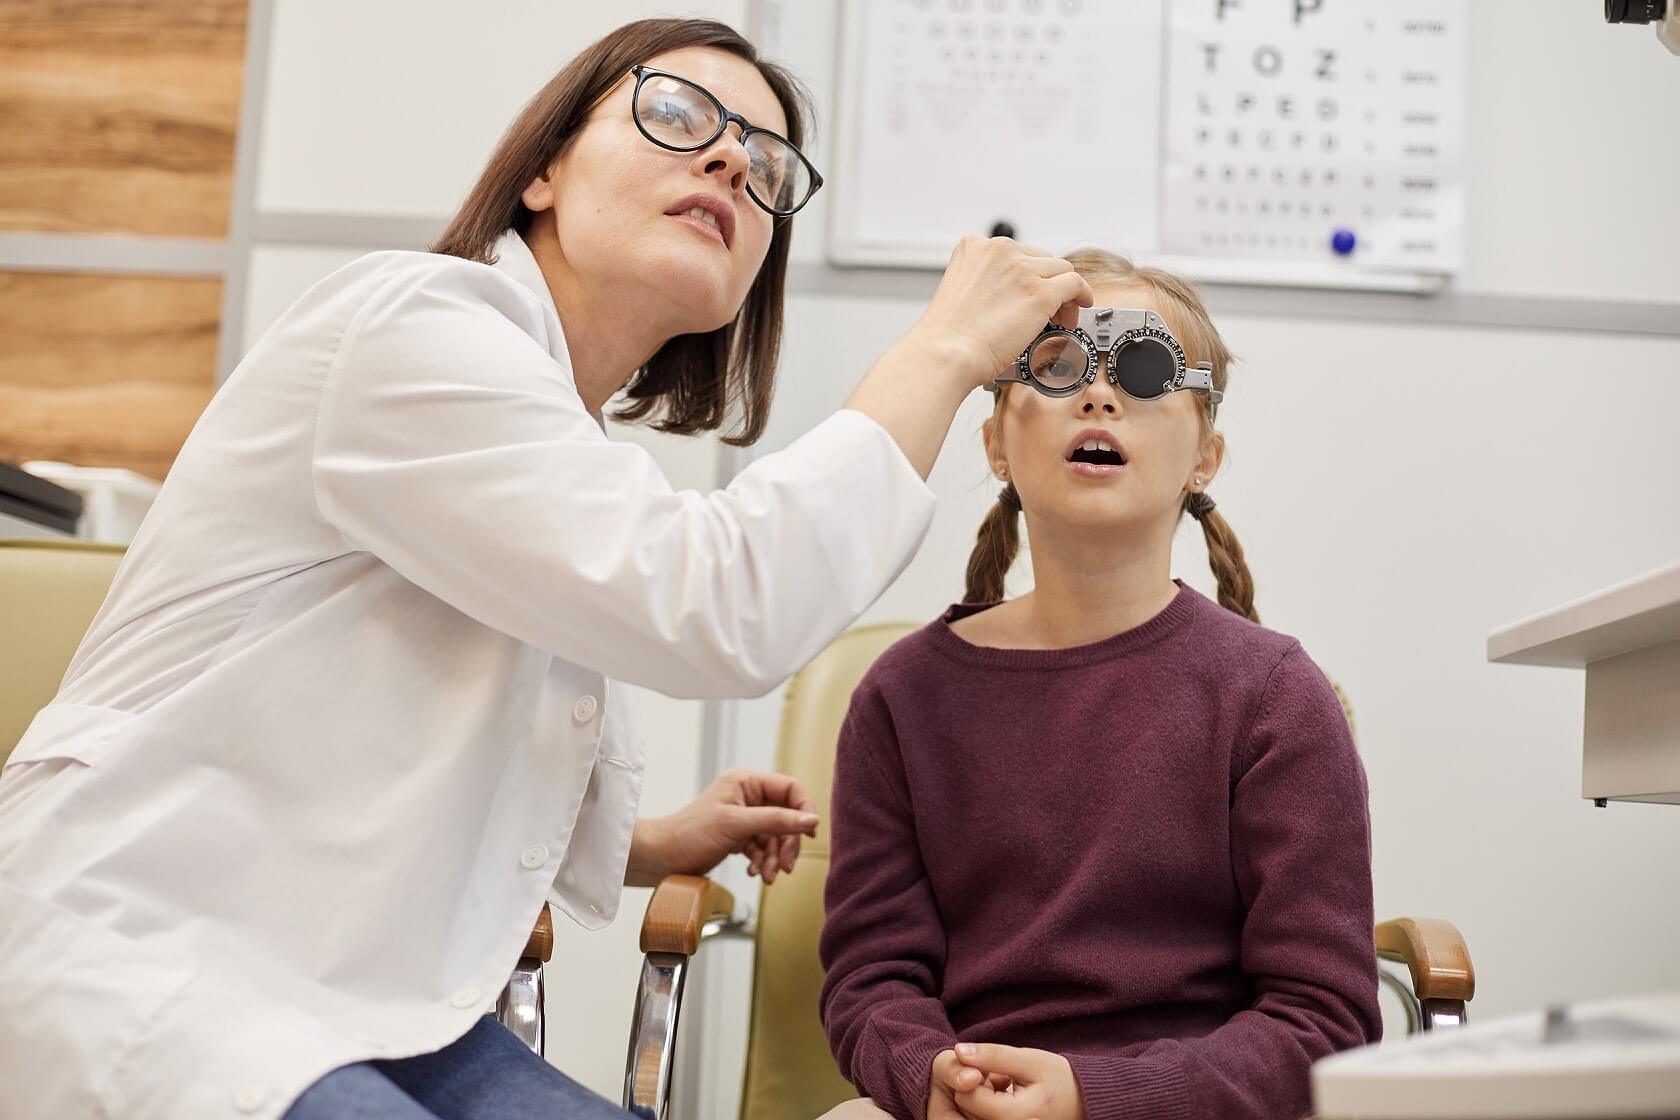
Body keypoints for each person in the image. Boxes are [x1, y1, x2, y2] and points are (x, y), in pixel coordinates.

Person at [0, 18, 1093, 1120]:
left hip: (376, 1012)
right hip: (150, 961)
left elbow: (415, 748)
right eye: (677, 115)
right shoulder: (409, 325)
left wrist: (654, 841)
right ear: (541, 171)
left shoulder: (550, 444)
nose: (728, 161)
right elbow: (716, 601)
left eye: (765, 166)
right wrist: (944, 349)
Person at [818, 251, 1380, 1120]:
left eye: (1146, 368)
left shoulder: (1273, 697)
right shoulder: (903, 697)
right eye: (1056, 366)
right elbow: (872, 978)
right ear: (996, 443)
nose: (1099, 393)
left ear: (1207, 457)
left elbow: (1324, 1017)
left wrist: (1096, 1096)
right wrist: (933, 1077)